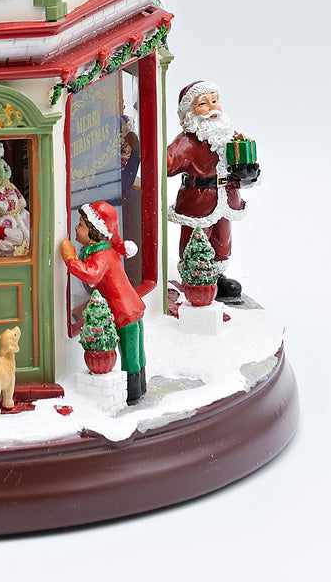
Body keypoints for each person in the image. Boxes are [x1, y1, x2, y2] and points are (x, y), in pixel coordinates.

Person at [167, 81, 259, 301]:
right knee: (196, 239)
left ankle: (217, 276)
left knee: (222, 238)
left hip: (226, 197)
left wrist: (250, 172)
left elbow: (243, 158)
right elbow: (167, 164)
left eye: (214, 101)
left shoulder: (229, 135)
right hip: (199, 200)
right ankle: (194, 277)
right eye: (203, 104)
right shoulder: (187, 142)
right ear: (190, 112)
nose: (212, 108)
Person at [60, 201, 146, 405]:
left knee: (131, 357)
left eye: (81, 225)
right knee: (137, 354)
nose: (76, 228)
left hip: (124, 312)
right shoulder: (104, 251)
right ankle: (139, 387)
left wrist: (71, 259)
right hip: (130, 308)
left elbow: (92, 275)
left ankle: (133, 395)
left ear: (94, 232)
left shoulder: (102, 255)